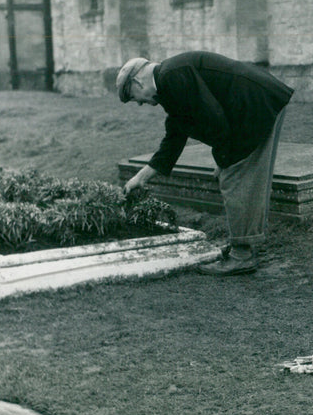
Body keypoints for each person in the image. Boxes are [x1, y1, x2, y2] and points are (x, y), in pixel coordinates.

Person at [116, 51, 294, 276]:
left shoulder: (172, 77)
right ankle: (244, 245)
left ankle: (242, 255)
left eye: (133, 97)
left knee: (235, 177)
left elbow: (214, 119)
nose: (140, 103)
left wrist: (223, 160)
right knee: (241, 176)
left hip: (255, 105)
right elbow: (176, 133)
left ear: (137, 81)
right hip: (260, 100)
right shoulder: (168, 80)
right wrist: (140, 177)